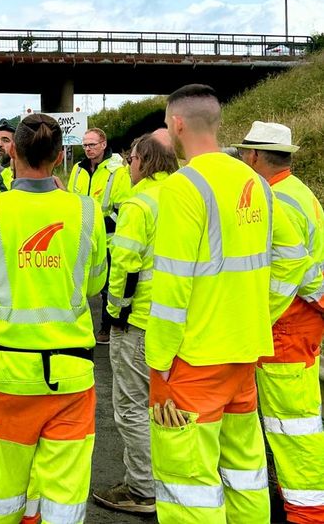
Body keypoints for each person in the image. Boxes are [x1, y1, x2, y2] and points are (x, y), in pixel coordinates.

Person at [146, 85, 316, 523]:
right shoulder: (258, 183)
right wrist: (262, 312)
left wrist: (158, 367)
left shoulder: (184, 186)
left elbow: (172, 287)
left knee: (188, 485)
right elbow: (291, 256)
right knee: (244, 474)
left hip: (193, 360)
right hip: (244, 352)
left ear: (177, 123)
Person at [0, 113, 107, 524]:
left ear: (12, 153)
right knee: (63, 498)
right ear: (59, 158)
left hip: (6, 372)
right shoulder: (87, 211)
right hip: (73, 374)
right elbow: (95, 284)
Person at [236, 121, 324, 522]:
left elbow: (291, 270)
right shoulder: (297, 192)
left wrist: (258, 316)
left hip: (288, 322)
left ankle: (305, 512)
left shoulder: (276, 199)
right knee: (293, 423)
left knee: (293, 427)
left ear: (255, 156)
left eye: (243, 154)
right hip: (301, 318)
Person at [92, 130, 177, 515]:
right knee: (171, 408)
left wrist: (113, 312)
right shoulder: (187, 196)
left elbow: (124, 265)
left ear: (144, 161)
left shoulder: (138, 204)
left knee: (131, 405)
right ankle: (172, 479)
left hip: (140, 319)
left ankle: (143, 488)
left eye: (132, 160)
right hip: (182, 318)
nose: (129, 166)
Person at [68, 127, 131, 344]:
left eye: (92, 144)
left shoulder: (117, 171)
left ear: (103, 144)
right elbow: (71, 202)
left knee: (106, 287)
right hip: (80, 237)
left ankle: (105, 327)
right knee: (76, 282)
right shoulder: (77, 169)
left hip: (107, 239)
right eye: (85, 145)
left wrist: (95, 225)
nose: (88, 149)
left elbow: (120, 208)